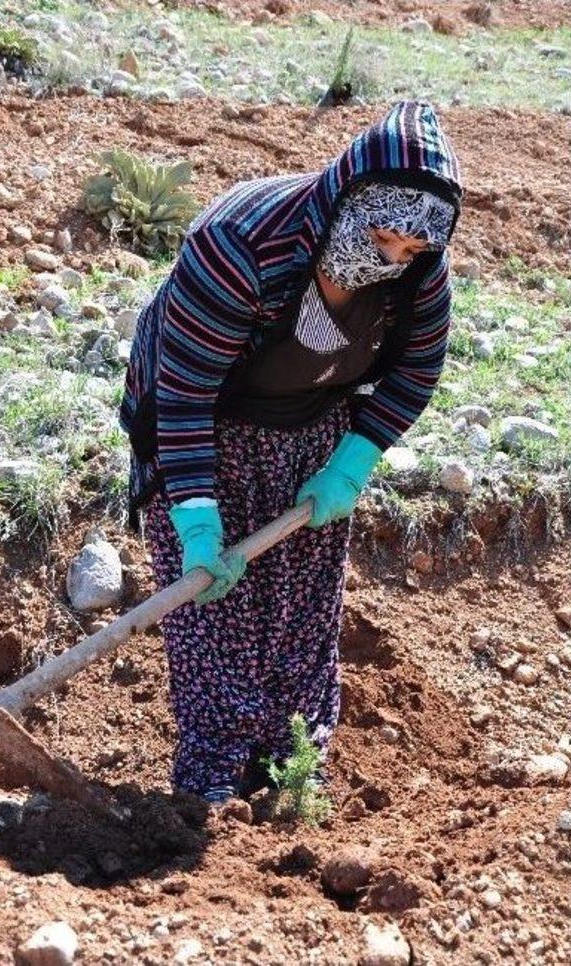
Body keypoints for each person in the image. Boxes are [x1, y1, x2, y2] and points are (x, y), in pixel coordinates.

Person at [120, 100, 462, 804]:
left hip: (314, 422)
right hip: (204, 423)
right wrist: (195, 517)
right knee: (216, 617)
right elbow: (183, 397)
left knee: (302, 608)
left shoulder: (422, 270)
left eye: (411, 250)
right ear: (345, 199)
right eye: (383, 236)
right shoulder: (240, 246)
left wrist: (353, 460)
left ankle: (291, 774)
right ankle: (209, 789)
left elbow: (416, 371)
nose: (391, 259)